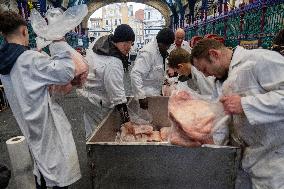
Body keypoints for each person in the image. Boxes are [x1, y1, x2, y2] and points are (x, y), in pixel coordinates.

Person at [0, 11, 86, 188]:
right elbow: (65, 72)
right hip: (46, 127)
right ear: (25, 31)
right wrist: (59, 41)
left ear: (3, 35)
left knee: (43, 168)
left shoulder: (8, 63)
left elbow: (32, 85)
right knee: (54, 173)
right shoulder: (28, 59)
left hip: (31, 125)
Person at [191, 38, 284, 189]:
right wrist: (211, 144)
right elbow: (222, 121)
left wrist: (246, 104)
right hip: (247, 161)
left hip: (275, 161)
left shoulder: (259, 60)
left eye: (205, 69)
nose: (207, 76)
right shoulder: (220, 81)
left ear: (214, 54)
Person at [79, 24, 135, 138]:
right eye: (126, 43)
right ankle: (97, 152)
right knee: (99, 132)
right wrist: (127, 121)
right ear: (118, 41)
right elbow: (117, 94)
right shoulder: (113, 63)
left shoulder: (100, 43)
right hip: (98, 101)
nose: (129, 47)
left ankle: (91, 148)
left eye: (131, 43)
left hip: (87, 95)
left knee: (90, 127)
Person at [131, 28, 174, 109]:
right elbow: (135, 74)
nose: (167, 48)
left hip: (156, 95)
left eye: (169, 45)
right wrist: (141, 96)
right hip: (146, 97)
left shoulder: (162, 52)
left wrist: (165, 79)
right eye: (165, 45)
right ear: (159, 42)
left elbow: (157, 71)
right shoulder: (148, 53)